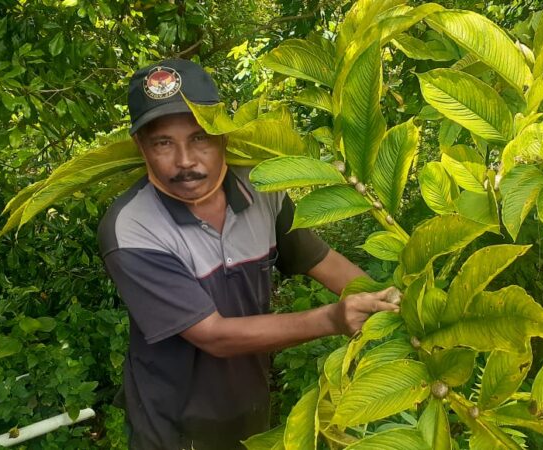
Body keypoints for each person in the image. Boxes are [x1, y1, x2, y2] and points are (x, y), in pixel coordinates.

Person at [97, 59, 399, 450]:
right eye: (163, 143)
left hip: (250, 407)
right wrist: (333, 318)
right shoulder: (132, 227)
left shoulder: (263, 189)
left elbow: (319, 261)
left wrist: (389, 303)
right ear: (141, 147)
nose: (185, 160)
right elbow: (214, 336)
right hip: (172, 426)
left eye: (200, 137)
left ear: (225, 134)